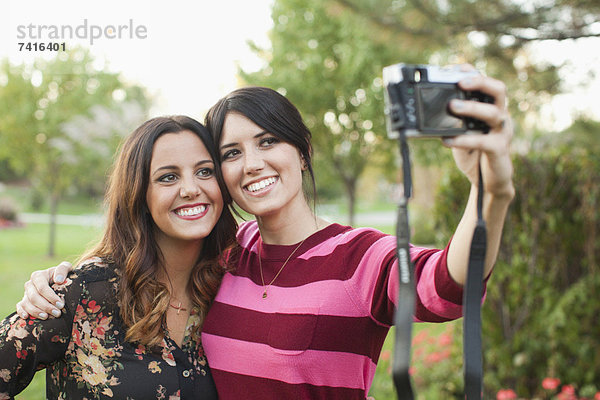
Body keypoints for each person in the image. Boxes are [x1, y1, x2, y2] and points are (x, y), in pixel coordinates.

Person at [17, 71, 514, 399]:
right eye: (231, 153)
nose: (252, 163)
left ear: (301, 151)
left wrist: (489, 192)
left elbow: (447, 288)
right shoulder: (226, 256)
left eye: (268, 141)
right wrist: (59, 281)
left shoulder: (361, 256)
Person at [1, 116, 238, 399]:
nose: (190, 189)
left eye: (205, 172)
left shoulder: (228, 288)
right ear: (139, 195)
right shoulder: (80, 294)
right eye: (168, 177)